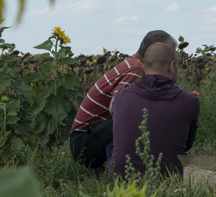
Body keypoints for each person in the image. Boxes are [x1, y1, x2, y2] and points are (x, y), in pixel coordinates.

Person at [70, 30, 176, 168]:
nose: (174, 59)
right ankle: (117, 170)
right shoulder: (137, 69)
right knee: (133, 120)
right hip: (83, 142)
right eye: (170, 53)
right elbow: (116, 107)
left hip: (91, 135)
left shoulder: (133, 63)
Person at [109, 42, 200, 177]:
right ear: (171, 66)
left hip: (120, 181)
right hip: (167, 181)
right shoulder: (188, 101)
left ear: (144, 67)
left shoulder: (121, 95)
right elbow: (186, 145)